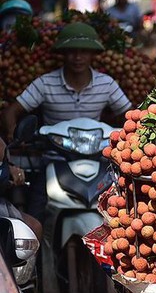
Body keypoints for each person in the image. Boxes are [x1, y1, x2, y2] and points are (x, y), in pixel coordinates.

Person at [1, 22, 132, 221]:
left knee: (123, 207)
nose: (78, 57)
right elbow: (12, 112)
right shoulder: (46, 83)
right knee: (36, 209)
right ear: (63, 54)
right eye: (72, 52)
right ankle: (36, 251)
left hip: (96, 158)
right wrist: (13, 134)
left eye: (84, 52)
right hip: (55, 158)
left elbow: (130, 114)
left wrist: (133, 135)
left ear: (92, 54)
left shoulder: (106, 84)